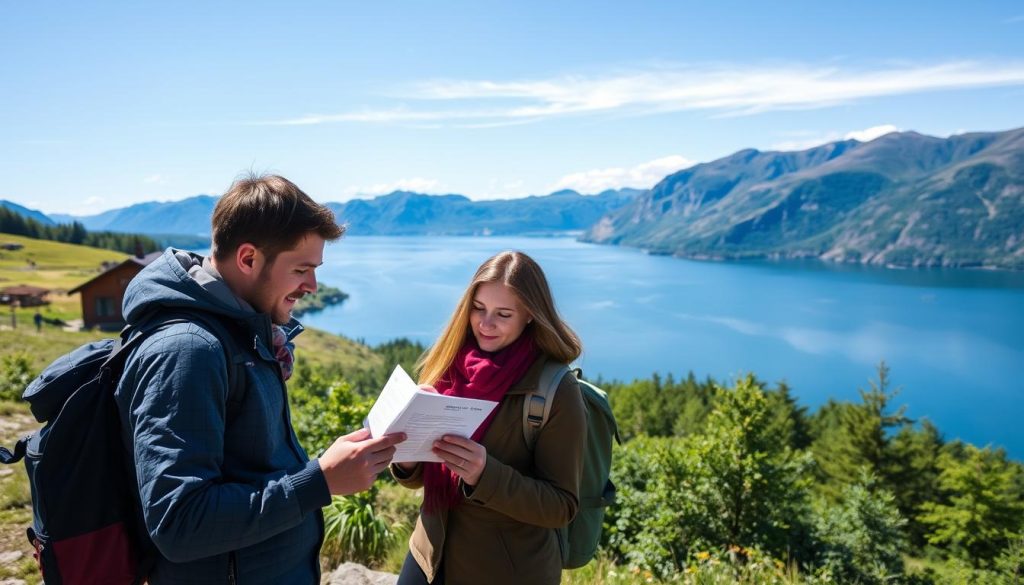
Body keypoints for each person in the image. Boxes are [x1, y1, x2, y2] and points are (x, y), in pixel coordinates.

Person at [114, 174, 405, 584]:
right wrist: (318, 481)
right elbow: (179, 522)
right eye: (302, 269)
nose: (313, 286)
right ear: (248, 259)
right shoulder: (188, 351)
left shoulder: (242, 332)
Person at [392, 251, 587, 585]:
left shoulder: (555, 389)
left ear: (530, 315)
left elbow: (561, 507)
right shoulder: (449, 364)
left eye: (503, 314)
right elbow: (424, 474)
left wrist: (486, 475)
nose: (485, 324)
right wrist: (408, 456)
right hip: (430, 552)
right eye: (478, 309)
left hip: (505, 570)